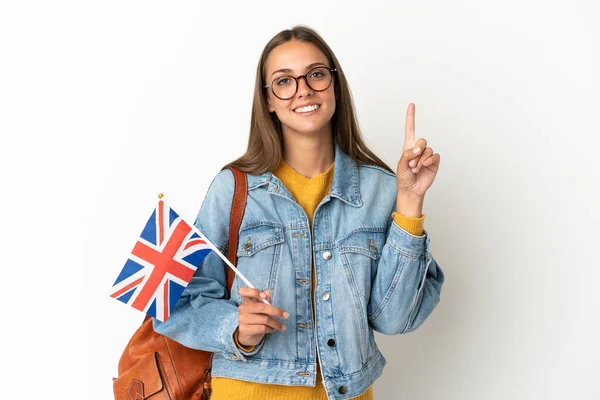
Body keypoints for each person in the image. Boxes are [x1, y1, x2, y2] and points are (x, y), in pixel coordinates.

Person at [154, 25, 444, 400]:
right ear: (269, 101)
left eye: (316, 74)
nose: (303, 89)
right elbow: (172, 301)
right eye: (283, 81)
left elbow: (394, 319)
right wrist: (234, 327)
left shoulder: (382, 188)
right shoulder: (234, 188)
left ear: (334, 86)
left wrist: (409, 201)